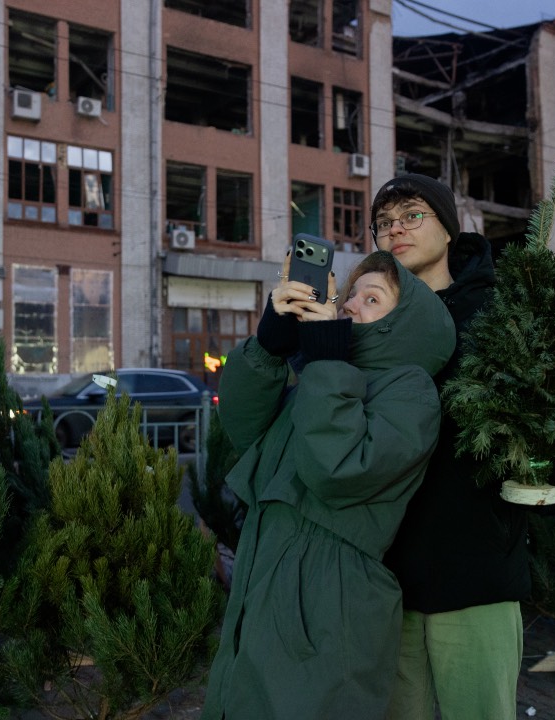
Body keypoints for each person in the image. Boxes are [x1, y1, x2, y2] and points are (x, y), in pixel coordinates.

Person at [201, 250, 456, 719]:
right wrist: (269, 345)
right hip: (266, 575)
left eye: (372, 299)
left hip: (326, 601)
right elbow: (243, 427)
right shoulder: (322, 376)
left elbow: (338, 470)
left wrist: (327, 361)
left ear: (403, 326)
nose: (351, 305)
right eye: (351, 295)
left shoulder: (410, 391)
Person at [373, 174, 555, 720]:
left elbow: (554, 409)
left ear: (448, 228)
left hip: (475, 569)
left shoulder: (500, 311)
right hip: (385, 576)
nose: (395, 230)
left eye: (411, 215)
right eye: (384, 223)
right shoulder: (371, 315)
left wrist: (550, 471)